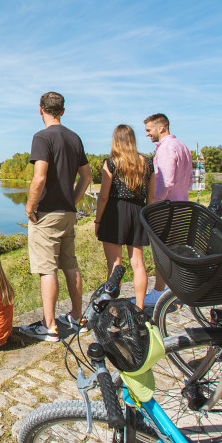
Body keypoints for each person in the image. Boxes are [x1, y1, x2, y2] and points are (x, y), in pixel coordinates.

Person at [21, 91, 92, 341]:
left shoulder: (42, 137)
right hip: (67, 213)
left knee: (47, 269)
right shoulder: (74, 138)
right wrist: (73, 201)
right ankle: (77, 317)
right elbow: (87, 175)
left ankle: (49, 326)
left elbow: (39, 177)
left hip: (47, 214)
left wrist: (30, 208)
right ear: (62, 111)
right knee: (70, 264)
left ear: (41, 109)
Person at [95, 125, 155, 309]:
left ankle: (111, 307)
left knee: (114, 264)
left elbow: (103, 196)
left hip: (116, 212)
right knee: (138, 263)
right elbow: (151, 197)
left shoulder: (112, 162)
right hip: (139, 211)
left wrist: (98, 220)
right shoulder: (147, 162)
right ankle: (140, 306)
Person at [142, 112, 193, 306]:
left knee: (161, 252)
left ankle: (159, 292)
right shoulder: (183, 147)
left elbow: (165, 181)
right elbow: (188, 180)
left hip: (167, 207)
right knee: (175, 249)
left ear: (160, 128)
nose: (147, 134)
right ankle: (176, 289)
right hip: (182, 204)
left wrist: (154, 205)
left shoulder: (165, 148)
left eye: (149, 130)